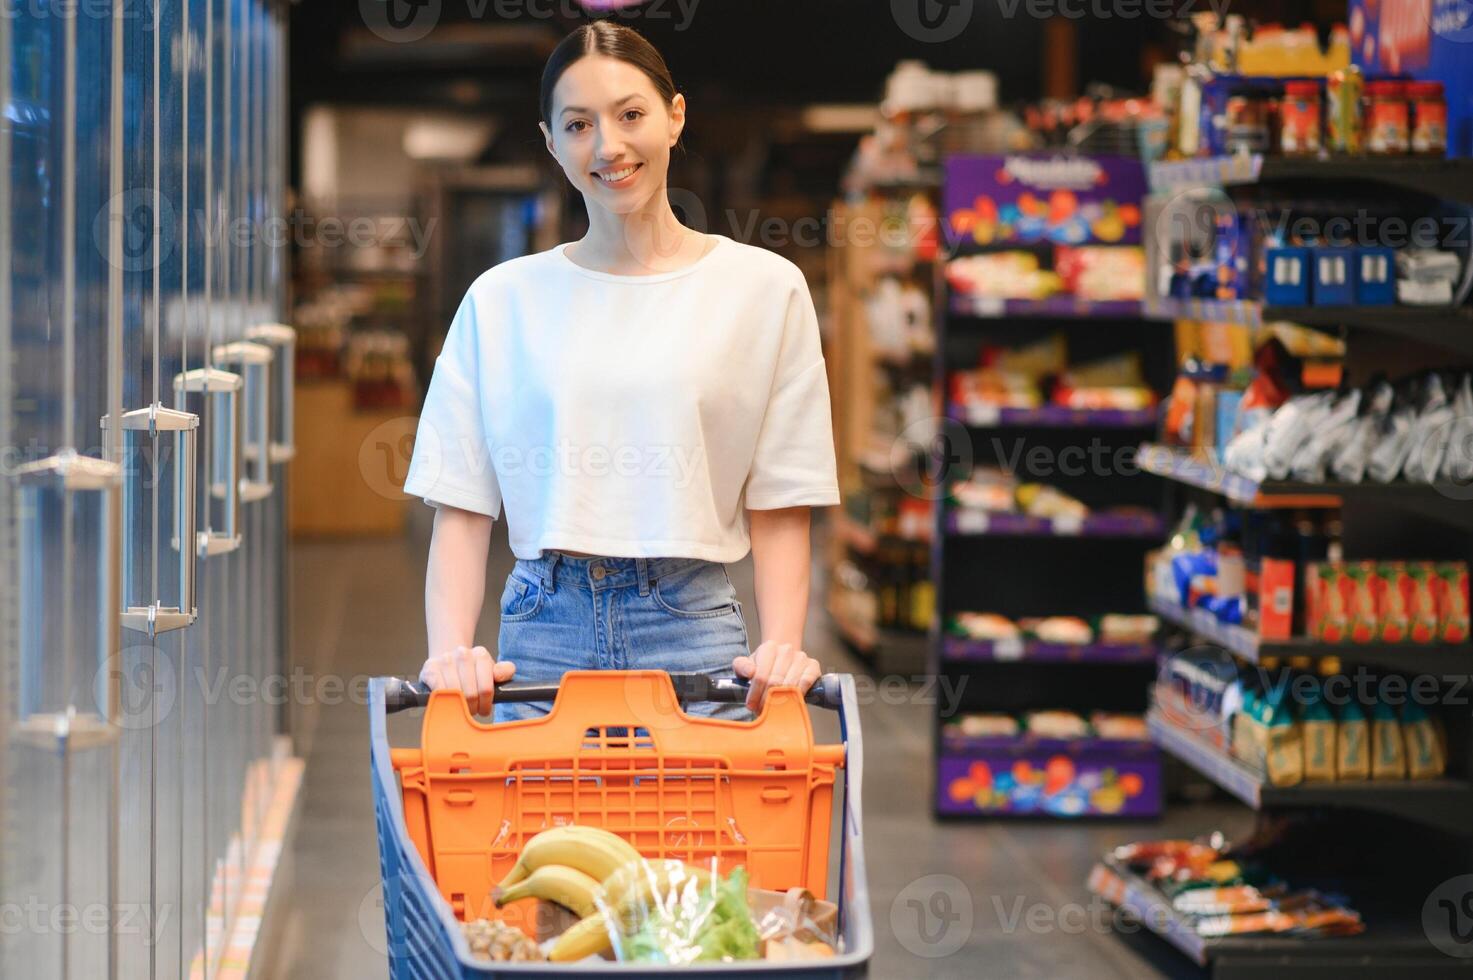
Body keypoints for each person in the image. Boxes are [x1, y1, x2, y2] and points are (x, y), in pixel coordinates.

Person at [405, 21, 839, 723]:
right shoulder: (501, 300)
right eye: (578, 125)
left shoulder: (763, 289)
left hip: (693, 629)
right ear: (551, 143)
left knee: (701, 837)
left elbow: (783, 498)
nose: (607, 146)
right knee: (542, 839)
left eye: (630, 115)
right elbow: (461, 503)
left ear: (674, 117)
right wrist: (450, 652)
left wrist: (783, 646)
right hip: (540, 632)